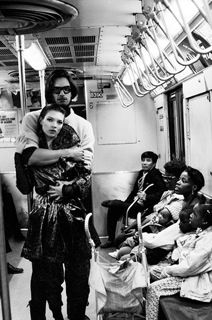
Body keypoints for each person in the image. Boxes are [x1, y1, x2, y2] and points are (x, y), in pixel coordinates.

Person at [18, 104, 93, 320]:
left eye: (59, 122)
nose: (54, 125)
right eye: (50, 120)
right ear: (41, 121)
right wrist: (17, 154)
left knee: (78, 271)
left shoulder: (73, 142)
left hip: (72, 214)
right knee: (47, 276)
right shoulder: (33, 147)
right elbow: (25, 183)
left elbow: (86, 178)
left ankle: (76, 315)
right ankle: (56, 313)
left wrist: (68, 189)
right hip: (44, 216)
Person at [108, 159, 186, 260]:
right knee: (120, 240)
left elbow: (156, 222)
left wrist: (137, 232)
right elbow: (151, 214)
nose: (165, 181)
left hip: (156, 234)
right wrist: (133, 228)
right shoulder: (167, 194)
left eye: (169, 178)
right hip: (148, 228)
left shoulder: (180, 202)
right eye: (164, 177)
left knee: (122, 250)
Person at [145, 203, 212, 320]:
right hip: (188, 272)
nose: (190, 215)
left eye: (194, 214)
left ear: (204, 221)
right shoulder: (202, 232)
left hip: (197, 279)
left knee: (153, 289)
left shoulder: (208, 240)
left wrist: (169, 270)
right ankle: (154, 312)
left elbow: (189, 267)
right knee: (151, 271)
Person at [21, 68, 94, 170]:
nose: (62, 94)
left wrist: (45, 157)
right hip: (38, 185)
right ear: (50, 93)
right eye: (57, 90)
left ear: (71, 92)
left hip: (72, 184)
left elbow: (85, 164)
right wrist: (70, 153)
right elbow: (30, 157)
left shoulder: (84, 125)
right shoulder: (32, 118)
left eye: (66, 89)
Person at [101, 151, 166, 248]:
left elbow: (161, 193)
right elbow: (134, 191)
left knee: (115, 204)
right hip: (134, 203)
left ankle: (114, 202)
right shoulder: (141, 173)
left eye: (148, 161)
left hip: (143, 206)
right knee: (113, 209)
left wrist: (146, 197)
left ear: (154, 163)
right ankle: (110, 239)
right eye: (143, 160)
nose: (144, 162)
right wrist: (126, 203)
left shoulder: (156, 175)